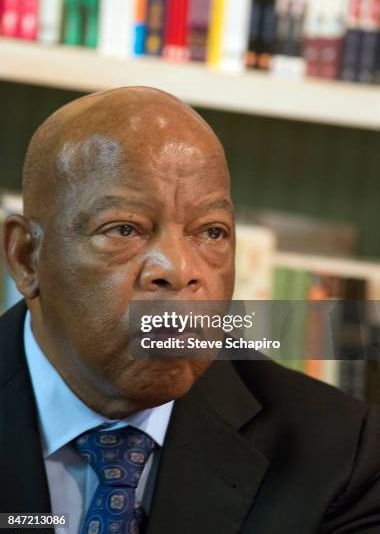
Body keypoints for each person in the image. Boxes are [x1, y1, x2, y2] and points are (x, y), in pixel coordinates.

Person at [1, 86, 379, 534]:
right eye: (125, 229)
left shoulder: (339, 454)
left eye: (212, 233)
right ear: (26, 257)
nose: (179, 270)